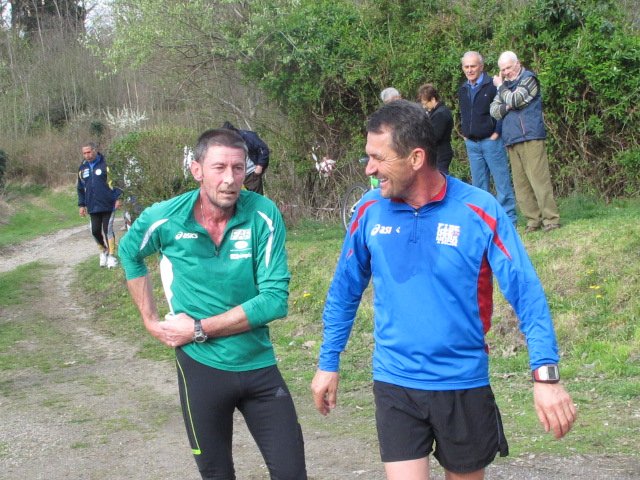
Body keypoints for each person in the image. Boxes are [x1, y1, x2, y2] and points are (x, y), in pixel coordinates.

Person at [311, 100, 576, 480]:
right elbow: (344, 291)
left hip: (463, 383)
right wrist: (328, 362)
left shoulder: (479, 210)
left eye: (378, 158)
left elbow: (526, 293)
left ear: (416, 158)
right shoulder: (368, 211)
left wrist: (546, 377)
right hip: (395, 382)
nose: (369, 168)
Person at [118, 128, 306, 480]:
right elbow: (129, 252)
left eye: (238, 168)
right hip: (200, 370)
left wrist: (199, 329)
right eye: (219, 168)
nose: (230, 179)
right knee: (216, 474)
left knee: (292, 473)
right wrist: (149, 319)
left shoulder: (263, 214)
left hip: (258, 365)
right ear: (197, 170)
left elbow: (274, 301)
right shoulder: (165, 217)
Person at [490, 51, 561, 233]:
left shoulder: (529, 79)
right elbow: (494, 111)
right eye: (502, 70)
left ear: (518, 63)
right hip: (511, 139)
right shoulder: (506, 86)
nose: (506, 72)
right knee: (521, 185)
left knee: (539, 179)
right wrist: (508, 103)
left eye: (508, 68)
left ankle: (551, 219)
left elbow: (515, 99)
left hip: (531, 135)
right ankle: (532, 220)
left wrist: (501, 89)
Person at [458, 51, 517, 225]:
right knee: (479, 186)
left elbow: (502, 109)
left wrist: (496, 133)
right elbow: (463, 113)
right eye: (466, 66)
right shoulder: (463, 89)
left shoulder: (492, 85)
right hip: (472, 144)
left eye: (473, 66)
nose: (469, 70)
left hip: (491, 141)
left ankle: (509, 219)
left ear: (481, 67)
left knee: (501, 181)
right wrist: (465, 134)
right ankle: (483, 221)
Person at [77, 142, 122, 269]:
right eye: (84, 153)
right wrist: (82, 205)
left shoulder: (106, 164)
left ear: (95, 150)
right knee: (94, 231)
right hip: (92, 206)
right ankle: (103, 250)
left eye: (89, 152)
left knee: (108, 230)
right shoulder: (82, 168)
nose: (87, 155)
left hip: (108, 204)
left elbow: (117, 182)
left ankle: (112, 256)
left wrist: (119, 198)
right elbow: (80, 188)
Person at [221, 121, 270, 195]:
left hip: (251, 173)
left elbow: (264, 149)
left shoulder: (249, 137)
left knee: (256, 198)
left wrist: (260, 166)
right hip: (236, 174)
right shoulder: (226, 142)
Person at [417, 83, 454, 174]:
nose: (424, 107)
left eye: (425, 103)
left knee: (440, 176)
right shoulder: (436, 112)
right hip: (438, 152)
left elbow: (435, 136)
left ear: (433, 99)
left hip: (441, 153)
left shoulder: (440, 114)